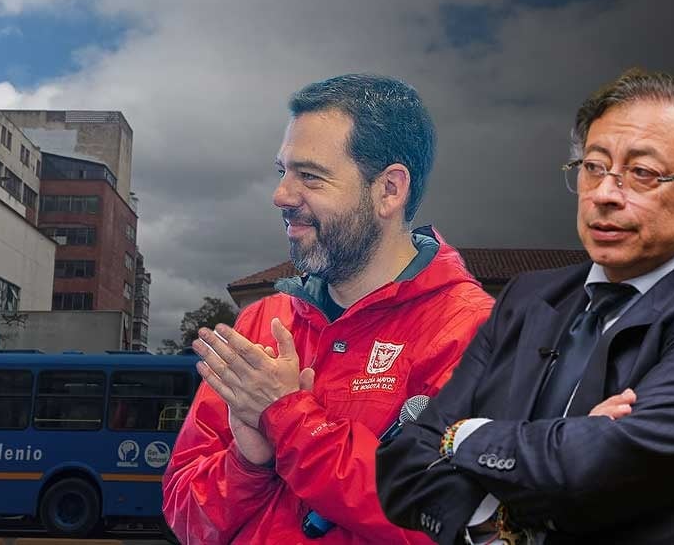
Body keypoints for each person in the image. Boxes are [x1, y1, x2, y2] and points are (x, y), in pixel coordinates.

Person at [376, 68, 674, 544]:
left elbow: (594, 469)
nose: (604, 194)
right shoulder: (526, 299)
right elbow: (401, 471)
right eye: (593, 167)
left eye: (641, 173)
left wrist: (461, 435)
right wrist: (495, 524)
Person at [162, 74, 495, 543]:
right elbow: (186, 517)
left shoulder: (471, 330)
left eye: (311, 176)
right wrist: (247, 463)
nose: (281, 195)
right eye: (283, 171)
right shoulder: (264, 321)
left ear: (389, 190)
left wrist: (287, 417)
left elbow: (441, 518)